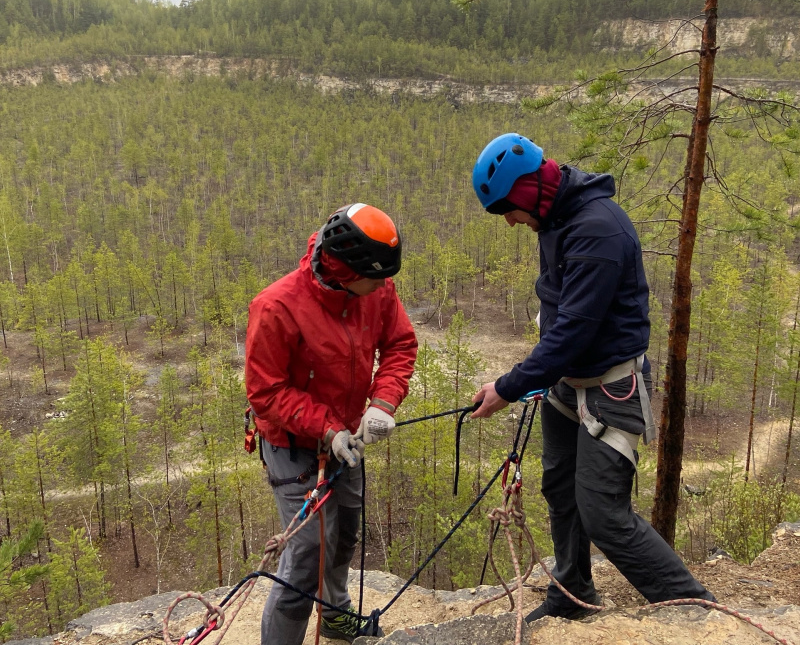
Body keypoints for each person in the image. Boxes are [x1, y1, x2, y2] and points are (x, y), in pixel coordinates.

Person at [470, 133, 715, 622]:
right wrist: (540, 369)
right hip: (567, 382)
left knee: (604, 513)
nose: (512, 222)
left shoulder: (599, 230)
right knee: (560, 489)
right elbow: (557, 307)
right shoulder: (555, 219)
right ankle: (571, 594)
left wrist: (509, 386)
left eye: (508, 210)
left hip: (612, 385)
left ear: (525, 191)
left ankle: (694, 610)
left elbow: (576, 332)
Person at [245, 203, 418, 645]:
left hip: (351, 437)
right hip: (293, 447)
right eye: (375, 279)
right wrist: (327, 428)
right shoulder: (277, 306)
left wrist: (382, 403)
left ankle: (335, 614)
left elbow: (399, 344)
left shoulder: (374, 289)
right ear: (344, 270)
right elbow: (264, 392)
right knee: (306, 554)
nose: (384, 287)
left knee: (344, 535)